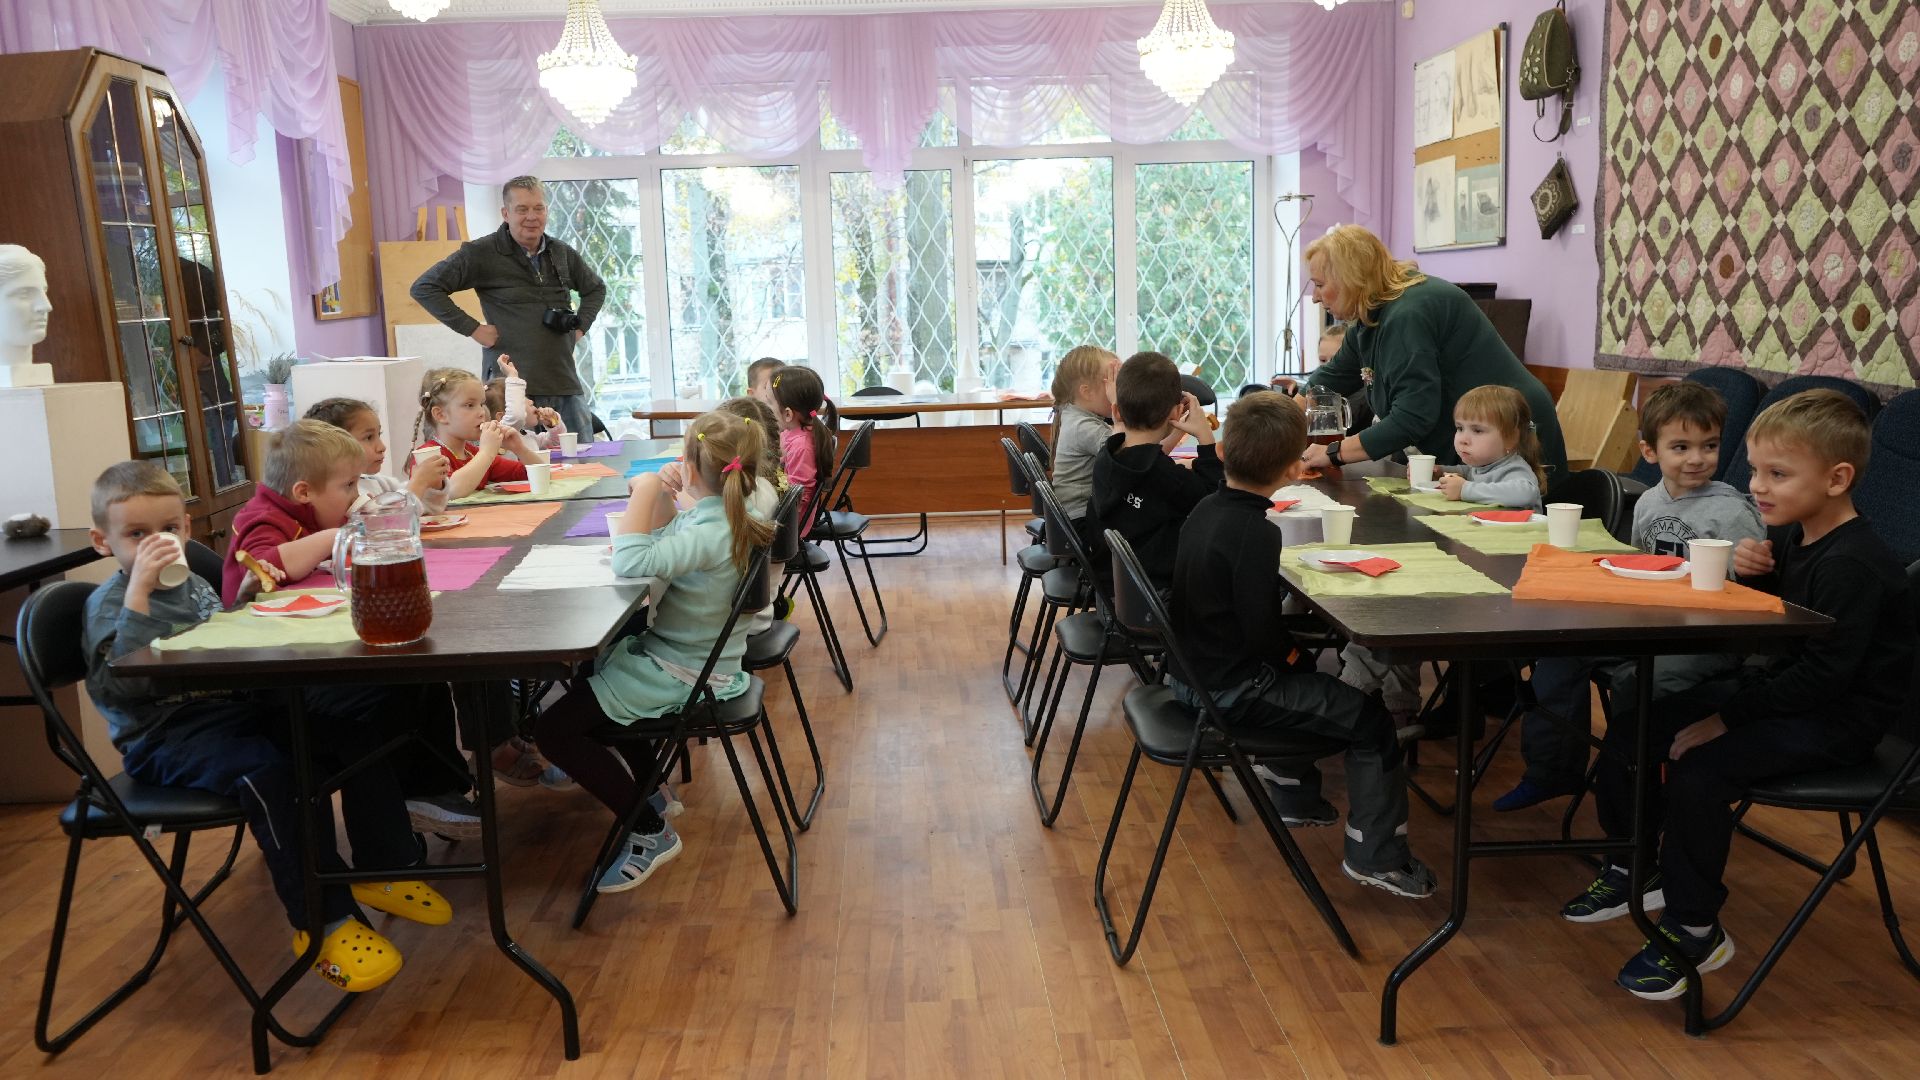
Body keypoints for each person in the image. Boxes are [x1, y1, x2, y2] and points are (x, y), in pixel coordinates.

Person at [1566, 390, 1914, 1001]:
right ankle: (1634, 864)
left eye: (1777, 474)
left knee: (1699, 768)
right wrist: (1764, 575)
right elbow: (1790, 633)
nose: (1756, 487)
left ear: (1837, 479)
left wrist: (1726, 718)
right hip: (1784, 694)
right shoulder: (1797, 538)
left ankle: (1695, 927)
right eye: (1754, 470)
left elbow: (1822, 678)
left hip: (1840, 721)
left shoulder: (1852, 564)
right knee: (1634, 727)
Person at [84, 460, 452, 992]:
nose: (155, 544)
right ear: (103, 542)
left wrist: (245, 606)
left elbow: (214, 642)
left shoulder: (192, 585)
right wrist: (138, 596)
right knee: (272, 775)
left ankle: (383, 866)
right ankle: (322, 921)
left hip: (229, 713)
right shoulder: (109, 605)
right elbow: (124, 685)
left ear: (186, 528)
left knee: (349, 735)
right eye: (136, 535)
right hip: (165, 737)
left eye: (167, 529)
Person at [1168, 393, 1434, 897]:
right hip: (1231, 691)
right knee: (1371, 721)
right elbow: (1263, 635)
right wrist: (1298, 660)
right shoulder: (1256, 532)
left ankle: (1296, 797)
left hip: (1188, 676)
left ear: (1222, 451)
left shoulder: (1205, 508)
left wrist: (1297, 662)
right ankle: (1377, 856)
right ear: (1294, 469)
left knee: (1311, 680)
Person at [532, 411, 777, 894]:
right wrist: (664, 497)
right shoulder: (721, 517)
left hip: (686, 671)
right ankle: (652, 790)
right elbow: (666, 535)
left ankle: (648, 829)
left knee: (553, 730)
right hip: (694, 659)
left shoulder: (711, 531)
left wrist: (644, 491)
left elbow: (632, 561)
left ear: (690, 466)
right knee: (597, 673)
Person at [1496, 382, 1764, 813]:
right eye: (1681, 447)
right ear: (1650, 451)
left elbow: (1747, 598)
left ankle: (1631, 784)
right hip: (1649, 623)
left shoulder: (1731, 511)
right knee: (1561, 651)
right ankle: (1552, 771)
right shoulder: (1648, 503)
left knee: (1637, 680)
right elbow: (1640, 568)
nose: (1697, 458)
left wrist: (1751, 568)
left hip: (1706, 638)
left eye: (1710, 445)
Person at [1292, 225, 1566, 479]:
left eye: (1320, 284)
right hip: (1477, 441)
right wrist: (1282, 426)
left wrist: (1335, 453)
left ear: (1350, 278)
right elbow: (1330, 378)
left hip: (1510, 436)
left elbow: (1413, 416)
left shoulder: (1406, 314)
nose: (1315, 297)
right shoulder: (1371, 315)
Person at [409, 176, 607, 435]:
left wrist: (579, 328)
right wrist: (472, 328)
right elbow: (424, 288)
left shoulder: (561, 253)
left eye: (538, 208)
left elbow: (596, 289)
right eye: (522, 209)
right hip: (506, 393)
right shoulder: (481, 253)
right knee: (511, 457)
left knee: (583, 456)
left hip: (562, 382)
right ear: (506, 213)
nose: (531, 217)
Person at [1085, 351, 1223, 590]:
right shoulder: (1166, 477)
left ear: (1116, 412)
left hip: (1111, 588)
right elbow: (1217, 501)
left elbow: (1136, 449)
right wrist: (1205, 435)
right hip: (1158, 596)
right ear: (1176, 413)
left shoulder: (1106, 457)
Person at [303, 397, 451, 514]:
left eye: (378, 435)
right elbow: (385, 523)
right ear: (334, 447)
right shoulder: (343, 492)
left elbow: (430, 508)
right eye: (368, 437)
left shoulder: (379, 482)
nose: (382, 447)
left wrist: (433, 484)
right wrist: (419, 482)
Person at [412, 367, 541, 500]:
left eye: (482, 404)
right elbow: (452, 491)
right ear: (441, 415)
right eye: (469, 405)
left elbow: (538, 475)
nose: (481, 412)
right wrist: (487, 452)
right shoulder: (428, 456)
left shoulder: (473, 453)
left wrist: (520, 449)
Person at [1436, 385, 1546, 510]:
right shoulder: (1484, 465)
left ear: (1510, 438)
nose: (1463, 440)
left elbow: (1526, 494)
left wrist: (1465, 490)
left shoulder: (1513, 469)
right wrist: (1441, 471)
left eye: (1477, 431)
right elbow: (1470, 472)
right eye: (1460, 428)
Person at [1046, 345, 1121, 526]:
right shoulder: (1083, 427)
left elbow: (1140, 454)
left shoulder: (1078, 416)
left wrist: (1176, 426)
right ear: (1087, 392)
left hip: (1083, 515)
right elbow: (1131, 455)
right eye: (1113, 384)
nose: (1120, 391)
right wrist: (1119, 405)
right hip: (1083, 522)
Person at [768, 364, 834, 526]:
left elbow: (799, 494)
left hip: (791, 522)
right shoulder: (790, 433)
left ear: (788, 414)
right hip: (786, 512)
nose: (766, 408)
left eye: (770, 403)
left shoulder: (802, 446)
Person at [485, 355, 570, 449]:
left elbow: (556, 443)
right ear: (502, 417)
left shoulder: (528, 436)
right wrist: (513, 376)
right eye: (522, 399)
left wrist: (553, 423)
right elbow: (516, 415)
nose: (531, 402)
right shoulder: (502, 436)